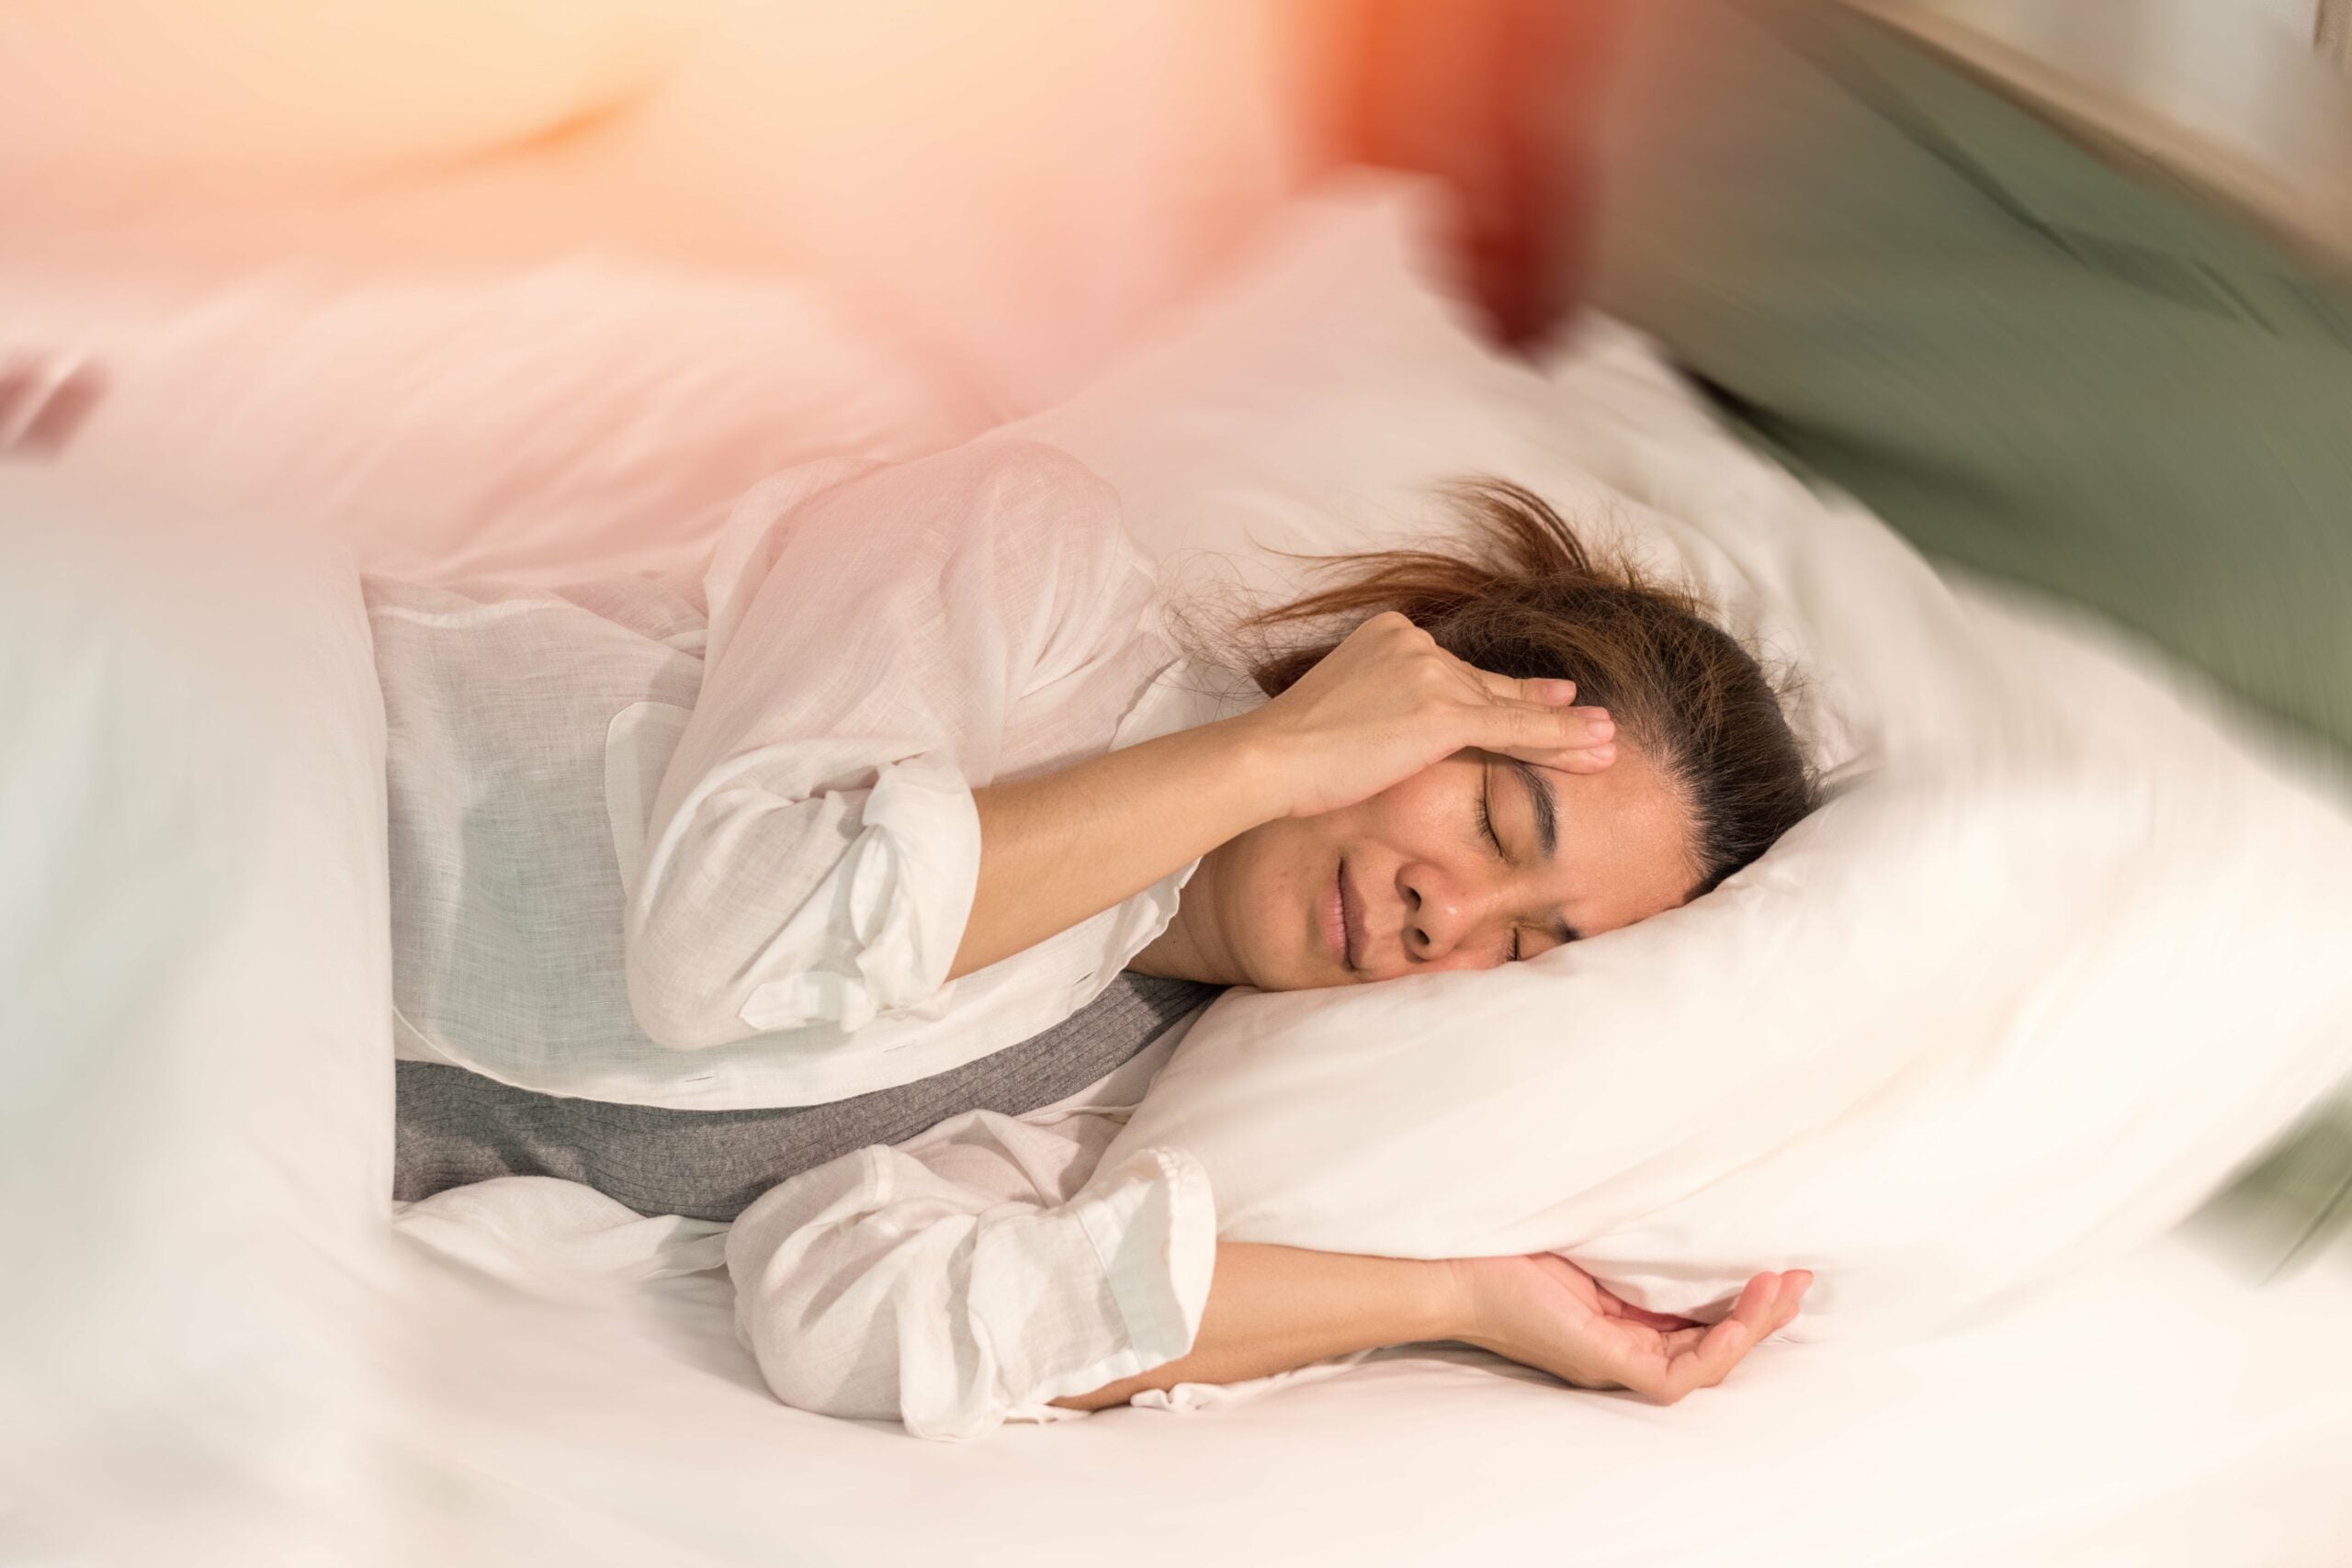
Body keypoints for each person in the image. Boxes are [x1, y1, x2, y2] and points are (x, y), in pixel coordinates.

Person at [372, 436, 1816, 1438]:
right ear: (1423, 679)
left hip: (241, 1087)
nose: (1455, 915)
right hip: (231, 778)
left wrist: (1458, 1299)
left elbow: (851, 1308)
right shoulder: (1031, 567)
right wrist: (1268, 761)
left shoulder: (1116, 1084)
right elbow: (726, 940)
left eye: (1525, 950)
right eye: (1498, 826)